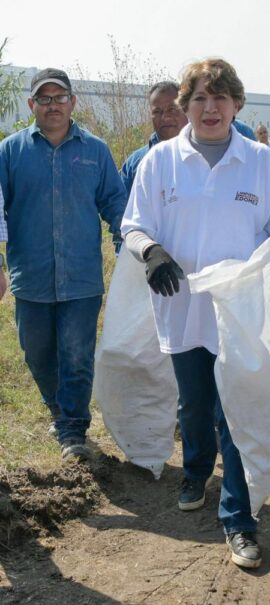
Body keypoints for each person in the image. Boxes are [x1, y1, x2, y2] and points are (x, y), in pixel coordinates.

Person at [121, 58, 270, 569]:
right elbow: (133, 224)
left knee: (234, 413)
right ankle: (195, 468)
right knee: (194, 406)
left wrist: (268, 265)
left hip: (240, 313)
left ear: (237, 103)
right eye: (198, 98)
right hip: (181, 308)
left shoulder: (261, 161)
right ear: (183, 106)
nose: (209, 108)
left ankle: (239, 519)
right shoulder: (160, 162)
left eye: (220, 98)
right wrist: (150, 252)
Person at [0, 68, 127, 461]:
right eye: (45, 98)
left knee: (76, 355)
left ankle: (73, 429)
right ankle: (59, 410)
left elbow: (115, 204)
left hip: (81, 277)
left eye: (60, 97)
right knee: (37, 352)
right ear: (32, 105)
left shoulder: (96, 151)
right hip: (31, 275)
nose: (53, 105)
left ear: (73, 102)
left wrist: (133, 250)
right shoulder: (10, 151)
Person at [120, 81, 188, 195]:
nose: (165, 117)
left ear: (187, 110)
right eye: (157, 112)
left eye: (172, 109)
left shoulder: (203, 156)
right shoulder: (136, 163)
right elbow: (119, 206)